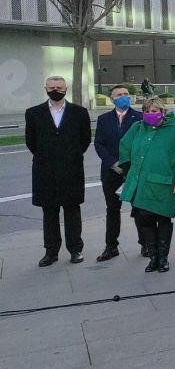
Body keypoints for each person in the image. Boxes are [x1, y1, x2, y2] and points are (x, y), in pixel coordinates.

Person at [118, 97, 175, 273]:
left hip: (165, 184)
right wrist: (128, 171)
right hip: (142, 184)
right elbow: (124, 147)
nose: (151, 114)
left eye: (155, 111)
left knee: (163, 219)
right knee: (145, 219)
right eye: (148, 111)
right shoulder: (136, 128)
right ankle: (153, 258)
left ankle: (163, 258)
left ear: (163, 112)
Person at [25, 76, 92, 266]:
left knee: (72, 211)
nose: (56, 90)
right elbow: (31, 141)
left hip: (71, 170)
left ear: (66, 89)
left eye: (60, 87)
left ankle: (75, 250)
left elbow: (85, 139)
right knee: (49, 213)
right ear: (45, 88)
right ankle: (51, 252)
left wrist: (70, 156)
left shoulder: (79, 112)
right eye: (52, 87)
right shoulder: (33, 113)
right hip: (45, 171)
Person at [93, 84, 143, 262]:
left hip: (134, 171)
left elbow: (143, 143)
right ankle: (111, 246)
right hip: (111, 171)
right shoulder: (103, 119)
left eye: (126, 94)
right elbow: (99, 144)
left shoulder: (140, 117)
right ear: (112, 98)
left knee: (139, 208)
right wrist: (113, 163)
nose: (123, 97)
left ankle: (145, 243)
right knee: (112, 210)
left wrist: (129, 164)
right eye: (119, 94)